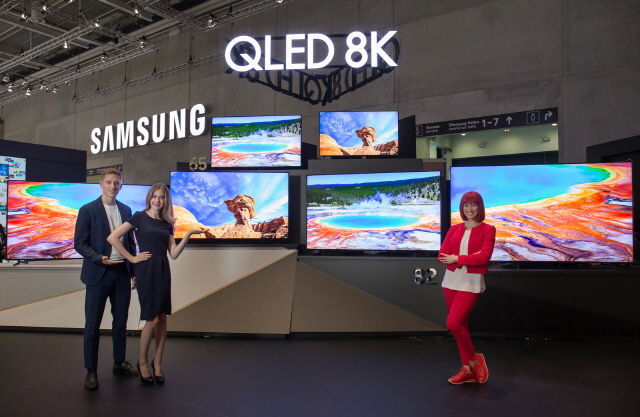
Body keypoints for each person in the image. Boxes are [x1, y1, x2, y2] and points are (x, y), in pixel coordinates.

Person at [107, 183, 202, 385]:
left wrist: (187, 235)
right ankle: (143, 362)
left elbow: (173, 254)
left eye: (161, 197)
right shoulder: (139, 217)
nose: (157, 200)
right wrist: (131, 258)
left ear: (166, 200)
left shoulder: (167, 223)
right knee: (152, 319)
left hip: (162, 269)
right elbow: (113, 237)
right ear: (149, 198)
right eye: (154, 196)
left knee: (162, 317)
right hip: (146, 270)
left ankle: (157, 363)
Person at [74, 168, 138, 390]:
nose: (113, 186)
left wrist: (134, 271)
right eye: (109, 182)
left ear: (121, 185)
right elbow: (80, 243)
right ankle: (91, 370)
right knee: (92, 324)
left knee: (120, 322)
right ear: (101, 184)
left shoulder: (126, 209)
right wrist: (98, 258)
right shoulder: (87, 210)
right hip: (98, 273)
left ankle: (119, 362)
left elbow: (131, 243)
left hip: (122, 273)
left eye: (116, 183)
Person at [438, 191, 496, 385]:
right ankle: (467, 369)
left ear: (480, 207)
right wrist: (468, 258)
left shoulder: (488, 229)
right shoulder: (454, 229)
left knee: (453, 324)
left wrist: (456, 258)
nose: (469, 209)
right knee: (461, 325)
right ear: (462, 208)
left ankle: (474, 359)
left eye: (473, 205)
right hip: (451, 280)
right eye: (466, 205)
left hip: (470, 281)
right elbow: (442, 255)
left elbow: (484, 257)